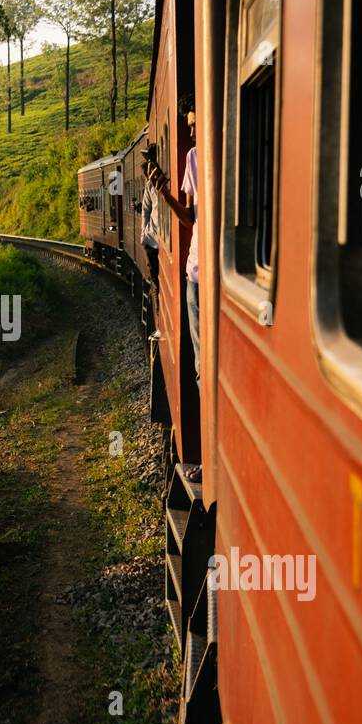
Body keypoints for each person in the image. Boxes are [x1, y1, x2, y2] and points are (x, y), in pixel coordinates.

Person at [148, 96, 200, 479]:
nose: (193, 131)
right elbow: (191, 218)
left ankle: (203, 460)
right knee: (200, 369)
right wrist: (165, 194)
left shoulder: (205, 156)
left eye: (196, 124)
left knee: (202, 368)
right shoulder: (194, 159)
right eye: (190, 126)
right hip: (195, 274)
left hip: (202, 278)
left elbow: (190, 219)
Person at [140, 144, 160, 292]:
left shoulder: (163, 182)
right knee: (154, 278)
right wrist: (143, 234)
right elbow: (145, 210)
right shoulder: (149, 185)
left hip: (158, 239)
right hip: (150, 239)